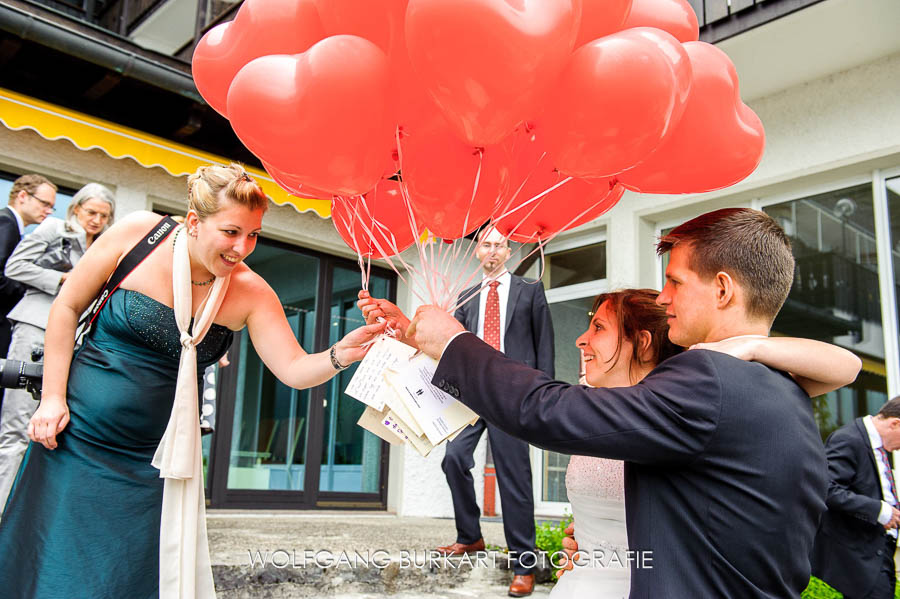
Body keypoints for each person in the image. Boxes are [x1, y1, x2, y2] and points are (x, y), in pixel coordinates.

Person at [371, 208, 856, 597]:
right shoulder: (788, 388)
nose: (665, 299)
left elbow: (547, 411)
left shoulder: (706, 377)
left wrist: (454, 343)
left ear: (723, 289)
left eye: (676, 281)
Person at [0, 164, 383, 598]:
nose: (243, 247)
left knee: (125, 580)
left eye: (254, 234)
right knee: (48, 565)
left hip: (157, 465)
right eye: (232, 231)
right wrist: (52, 399)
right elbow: (66, 307)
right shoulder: (138, 235)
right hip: (74, 438)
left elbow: (293, 370)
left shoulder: (252, 293)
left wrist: (341, 354)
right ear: (194, 222)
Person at [548, 289, 860, 598]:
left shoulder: (693, 406)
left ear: (642, 343)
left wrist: (751, 346)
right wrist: (590, 541)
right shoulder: (596, 411)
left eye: (598, 327)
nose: (581, 339)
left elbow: (847, 365)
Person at [441, 227, 553, 598]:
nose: (492, 250)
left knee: (514, 476)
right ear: (477, 252)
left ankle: (524, 563)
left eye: (499, 244)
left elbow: (544, 345)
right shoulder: (467, 296)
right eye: (486, 244)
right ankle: (470, 536)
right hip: (473, 395)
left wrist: (543, 394)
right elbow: (454, 346)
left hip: (513, 394)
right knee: (454, 458)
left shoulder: (530, 291)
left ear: (508, 251)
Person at [0, 182, 115, 513]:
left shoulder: (103, 247)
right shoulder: (53, 228)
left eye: (103, 216)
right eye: (91, 212)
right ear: (76, 208)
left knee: (51, 428)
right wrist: (64, 281)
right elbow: (14, 267)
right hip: (36, 327)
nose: (96, 220)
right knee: (17, 425)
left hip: (71, 342)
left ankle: (26, 512)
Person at [810, 397, 900, 599]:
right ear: (895, 423)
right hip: (858, 555)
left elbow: (869, 488)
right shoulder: (848, 439)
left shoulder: (876, 444)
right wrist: (879, 511)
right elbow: (826, 488)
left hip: (878, 549)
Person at [0, 174, 56, 359]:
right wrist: (29, 290)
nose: (49, 211)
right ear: (22, 196)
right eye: (44, 204)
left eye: (51, 207)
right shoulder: (6, 223)